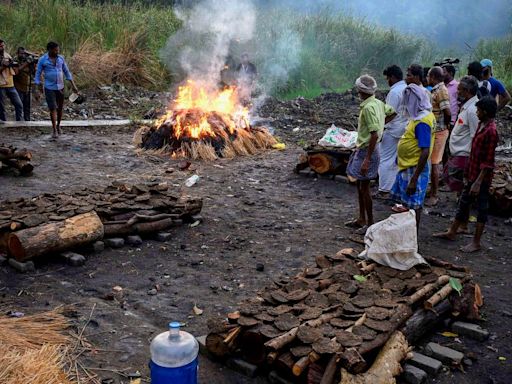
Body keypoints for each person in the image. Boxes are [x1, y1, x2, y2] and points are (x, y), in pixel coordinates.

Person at [434, 96, 498, 252]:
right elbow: (474, 152)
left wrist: (477, 181)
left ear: (485, 112)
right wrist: (468, 172)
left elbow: (488, 162)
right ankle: (452, 231)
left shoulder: (491, 131)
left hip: (481, 177)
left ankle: (476, 242)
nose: (476, 112)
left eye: (478, 110)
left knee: (482, 207)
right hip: (472, 172)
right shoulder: (481, 125)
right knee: (464, 202)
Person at [346, 75, 396, 230]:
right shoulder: (378, 103)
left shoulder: (368, 108)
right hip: (366, 148)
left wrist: (367, 159)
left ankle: (370, 223)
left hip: (368, 150)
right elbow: (393, 112)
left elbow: (374, 134)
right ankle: (362, 218)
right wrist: (382, 124)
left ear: (360, 90)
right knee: (360, 185)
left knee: (365, 188)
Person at [390, 64, 435, 229]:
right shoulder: (418, 117)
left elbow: (425, 151)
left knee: (413, 207)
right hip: (407, 165)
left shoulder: (423, 121)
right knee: (406, 204)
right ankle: (406, 235)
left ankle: (411, 238)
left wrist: (414, 179)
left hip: (414, 168)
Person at [35, 41, 79, 138]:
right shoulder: (43, 59)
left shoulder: (61, 58)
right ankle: (54, 129)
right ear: (50, 50)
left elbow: (67, 72)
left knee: (60, 108)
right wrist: (37, 88)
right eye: (55, 50)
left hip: (60, 87)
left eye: (58, 50)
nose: (57, 51)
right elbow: (38, 74)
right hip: (49, 87)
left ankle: (59, 125)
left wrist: (74, 86)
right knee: (52, 108)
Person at [376, 65, 407, 199]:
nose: (387, 81)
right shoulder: (407, 88)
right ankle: (394, 187)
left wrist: (379, 125)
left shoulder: (394, 92)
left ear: (393, 77)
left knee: (385, 159)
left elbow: (391, 113)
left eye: (388, 78)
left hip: (393, 129)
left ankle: (384, 189)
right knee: (397, 160)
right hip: (404, 128)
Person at [444, 76, 479, 194]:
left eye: (459, 90)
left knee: (462, 188)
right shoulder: (466, 107)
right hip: (458, 154)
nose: (457, 92)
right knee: (456, 186)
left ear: (467, 91)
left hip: (464, 155)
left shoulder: (473, 110)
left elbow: (475, 137)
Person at [425, 66, 451, 206]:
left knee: (435, 163)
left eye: (428, 76)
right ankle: (432, 190)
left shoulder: (441, 91)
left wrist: (445, 126)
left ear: (433, 77)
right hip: (435, 130)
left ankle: (434, 194)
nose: (427, 78)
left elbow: (447, 111)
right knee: (432, 162)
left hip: (439, 131)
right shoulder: (436, 90)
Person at [0, 39, 23, 121]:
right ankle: (3, 123)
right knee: (2, 107)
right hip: (1, 85)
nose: (2, 47)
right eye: (0, 46)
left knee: (19, 104)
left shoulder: (7, 55)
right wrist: (3, 67)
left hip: (10, 84)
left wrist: (14, 65)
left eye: (3, 45)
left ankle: (19, 122)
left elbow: (15, 71)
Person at [13, 47, 35, 121]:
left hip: (27, 87)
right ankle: (18, 121)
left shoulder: (28, 61)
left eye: (24, 53)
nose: (22, 55)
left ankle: (27, 120)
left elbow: (33, 72)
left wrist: (31, 62)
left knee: (27, 106)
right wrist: (26, 63)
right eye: (21, 53)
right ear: (17, 53)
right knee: (19, 105)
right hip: (18, 86)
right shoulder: (15, 60)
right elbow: (16, 71)